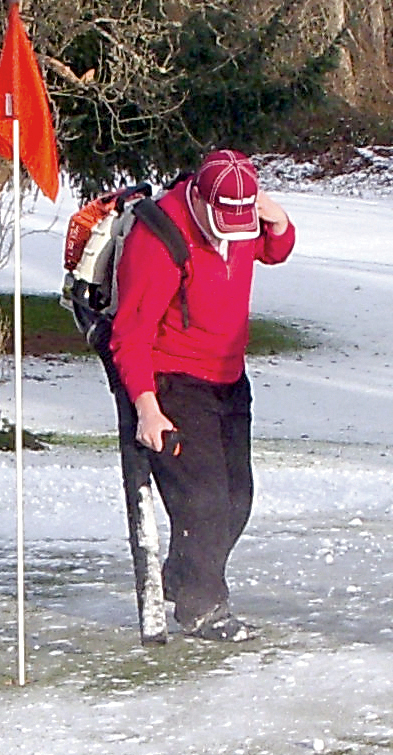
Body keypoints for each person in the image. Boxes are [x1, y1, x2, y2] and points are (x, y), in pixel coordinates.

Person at [108, 147, 296, 643]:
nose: (232, 236)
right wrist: (147, 408)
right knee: (205, 502)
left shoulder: (240, 221)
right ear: (200, 200)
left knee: (237, 500)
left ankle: (183, 575)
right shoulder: (159, 239)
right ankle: (201, 607)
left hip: (229, 378)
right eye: (223, 225)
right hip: (174, 381)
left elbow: (273, 250)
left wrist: (278, 224)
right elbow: (130, 335)